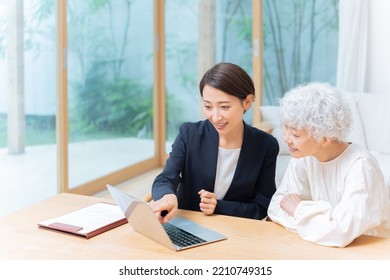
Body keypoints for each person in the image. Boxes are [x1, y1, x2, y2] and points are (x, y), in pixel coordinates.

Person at [151, 62, 279, 224]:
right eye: (208, 106)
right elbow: (165, 179)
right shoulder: (190, 134)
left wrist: (219, 206)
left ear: (247, 101)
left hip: (236, 231)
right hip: (187, 226)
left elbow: (262, 206)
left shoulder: (265, 145)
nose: (215, 117)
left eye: (224, 107)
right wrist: (167, 196)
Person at [267, 82, 390, 247]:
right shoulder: (304, 157)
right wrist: (326, 218)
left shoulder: (361, 167)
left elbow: (342, 233)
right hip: (323, 248)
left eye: (295, 134)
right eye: (286, 128)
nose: (286, 139)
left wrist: (299, 210)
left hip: (368, 250)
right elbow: (277, 208)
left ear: (325, 139)